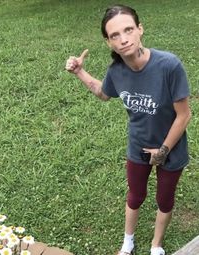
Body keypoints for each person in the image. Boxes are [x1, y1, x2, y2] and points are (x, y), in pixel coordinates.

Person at [65, 4, 191, 255]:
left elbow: (184, 115)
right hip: (138, 145)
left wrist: (163, 151)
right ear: (108, 42)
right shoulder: (117, 71)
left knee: (164, 200)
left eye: (128, 30)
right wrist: (79, 72)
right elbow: (103, 93)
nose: (123, 39)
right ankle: (128, 244)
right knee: (135, 196)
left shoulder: (169, 65)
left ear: (140, 30)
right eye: (114, 35)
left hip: (171, 148)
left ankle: (156, 246)